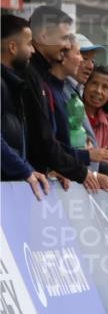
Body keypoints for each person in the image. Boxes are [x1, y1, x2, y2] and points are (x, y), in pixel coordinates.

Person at [22, 7, 108, 194]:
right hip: (26, 188)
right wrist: (83, 172)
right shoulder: (31, 77)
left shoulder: (41, 80)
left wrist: (71, 169)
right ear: (44, 36)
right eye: (64, 38)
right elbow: (43, 142)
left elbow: (50, 142)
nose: (66, 46)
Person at [1, 14, 49, 200]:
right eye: (29, 44)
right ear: (13, 47)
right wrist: (24, 170)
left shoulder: (13, 84)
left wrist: (28, 169)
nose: (33, 51)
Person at [83, 65, 108, 162]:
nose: (98, 91)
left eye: (105, 87)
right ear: (84, 85)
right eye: (94, 83)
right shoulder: (72, 115)